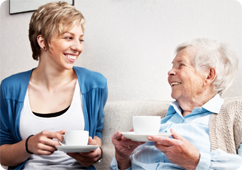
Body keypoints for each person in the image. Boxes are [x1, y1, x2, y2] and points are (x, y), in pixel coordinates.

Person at [0, 2, 107, 170]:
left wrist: (96, 152)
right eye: (68, 37)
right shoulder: (10, 88)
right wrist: (28, 145)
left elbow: (97, 133)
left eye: (81, 39)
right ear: (42, 41)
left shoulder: (95, 84)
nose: (78, 47)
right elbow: (3, 154)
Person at [110, 38, 242, 170]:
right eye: (172, 66)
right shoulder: (157, 119)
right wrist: (122, 157)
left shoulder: (235, 115)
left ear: (209, 75)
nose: (170, 72)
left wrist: (196, 161)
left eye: (181, 65)